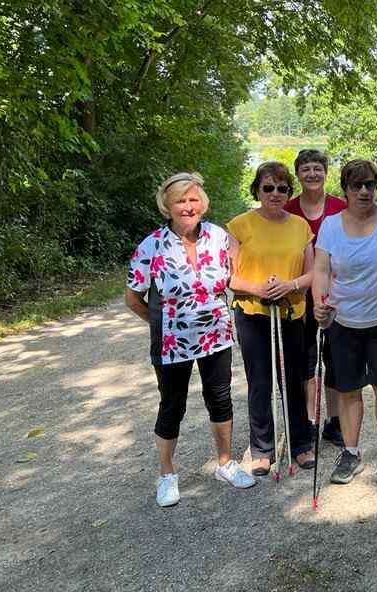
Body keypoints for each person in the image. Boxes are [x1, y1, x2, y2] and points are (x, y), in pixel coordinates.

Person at [124, 172, 255, 507]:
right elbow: (133, 298)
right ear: (166, 207)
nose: (187, 206)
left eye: (193, 199)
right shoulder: (151, 245)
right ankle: (167, 474)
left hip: (216, 335)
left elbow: (235, 278)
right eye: (180, 201)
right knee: (172, 405)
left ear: (203, 203)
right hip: (171, 342)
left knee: (220, 399)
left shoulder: (218, 237)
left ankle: (225, 463)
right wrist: (158, 323)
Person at [312, 160, 377, 485]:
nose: (364, 191)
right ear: (345, 189)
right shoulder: (330, 225)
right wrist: (319, 303)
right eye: (356, 185)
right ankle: (351, 451)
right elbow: (321, 269)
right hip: (343, 320)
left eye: (370, 184)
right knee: (347, 390)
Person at [227, 162, 315, 477]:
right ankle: (262, 449)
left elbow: (312, 273)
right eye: (268, 187)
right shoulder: (239, 225)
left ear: (289, 192)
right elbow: (229, 277)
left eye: (282, 188)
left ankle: (300, 443)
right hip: (253, 313)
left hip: (291, 312)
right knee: (259, 381)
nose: (275, 194)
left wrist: (290, 285)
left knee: (293, 379)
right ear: (257, 190)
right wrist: (257, 288)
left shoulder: (300, 227)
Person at [284, 149, 348, 447]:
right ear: (298, 174)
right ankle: (308, 419)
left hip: (336, 296)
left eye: (317, 168)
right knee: (306, 361)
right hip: (300, 299)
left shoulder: (340, 207)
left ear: (325, 172)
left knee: (335, 360)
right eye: (306, 169)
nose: (312, 174)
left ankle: (334, 420)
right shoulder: (288, 209)